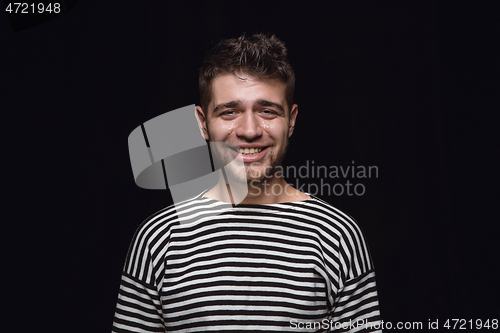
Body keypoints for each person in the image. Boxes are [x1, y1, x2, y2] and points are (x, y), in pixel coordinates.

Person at [112, 33, 382, 332]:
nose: (250, 131)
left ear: (291, 120)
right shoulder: (158, 239)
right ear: (202, 123)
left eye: (267, 111)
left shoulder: (337, 236)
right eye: (230, 111)